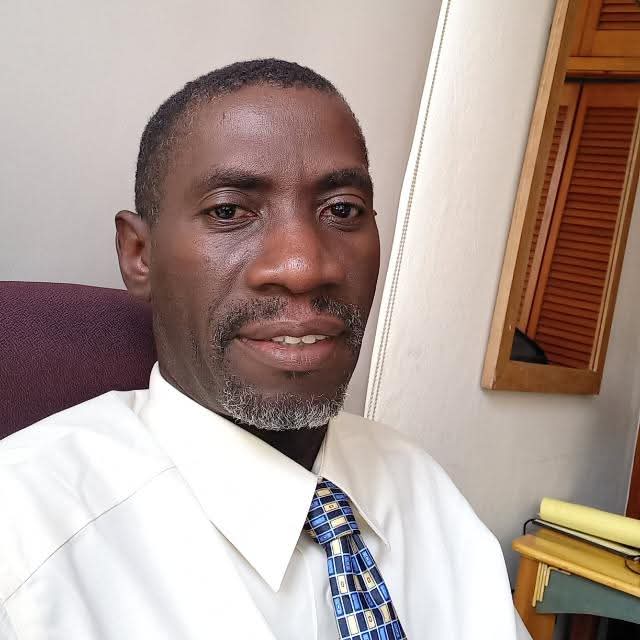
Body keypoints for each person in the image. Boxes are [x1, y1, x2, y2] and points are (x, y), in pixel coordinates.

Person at [0, 59, 529, 639]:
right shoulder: (24, 542)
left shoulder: (420, 486)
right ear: (139, 255)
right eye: (229, 212)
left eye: (342, 210)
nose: (303, 267)